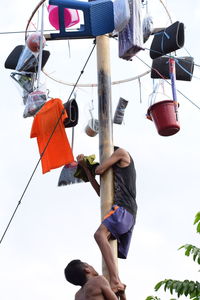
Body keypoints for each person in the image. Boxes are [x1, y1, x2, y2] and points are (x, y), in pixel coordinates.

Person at [77, 147, 137, 295]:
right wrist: (87, 170)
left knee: (99, 235)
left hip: (124, 208)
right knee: (107, 243)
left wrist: (92, 167)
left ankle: (115, 280)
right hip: (124, 211)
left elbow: (99, 170)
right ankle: (117, 287)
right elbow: (101, 192)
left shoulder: (121, 152)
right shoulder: (114, 172)